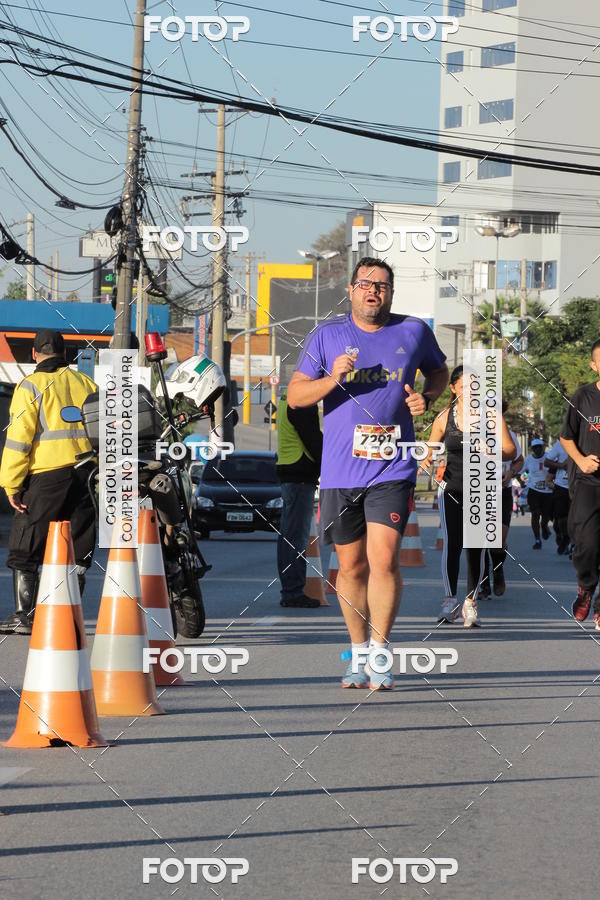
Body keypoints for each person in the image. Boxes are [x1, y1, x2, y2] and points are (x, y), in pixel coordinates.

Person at [287, 256, 449, 689]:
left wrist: (427, 398)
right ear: (353, 290)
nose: (373, 291)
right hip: (340, 470)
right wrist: (332, 379)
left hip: (392, 468)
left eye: (381, 285)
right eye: (365, 284)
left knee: (383, 559)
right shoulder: (327, 335)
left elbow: (438, 371)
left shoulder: (413, 330)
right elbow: (296, 395)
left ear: (391, 293)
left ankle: (380, 651)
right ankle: (358, 652)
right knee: (351, 567)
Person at [0, 330, 97, 635]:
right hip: (86, 474)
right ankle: (65, 614)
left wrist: (11, 484)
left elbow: (18, 440)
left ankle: (25, 616)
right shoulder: (86, 384)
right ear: (65, 353)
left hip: (48, 475)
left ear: (34, 353)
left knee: (25, 544)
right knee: (77, 544)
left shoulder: (30, 387)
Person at [426, 367, 517, 627]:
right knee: (452, 544)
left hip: (481, 489)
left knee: (475, 547)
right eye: (464, 386)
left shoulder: (491, 416)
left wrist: (493, 450)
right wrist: (424, 460)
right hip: (451, 488)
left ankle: (470, 603)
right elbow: (430, 450)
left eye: (474, 386)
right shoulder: (445, 417)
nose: (469, 391)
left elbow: (510, 451)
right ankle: (449, 600)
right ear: (454, 388)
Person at [560, 339, 600, 627]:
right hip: (588, 481)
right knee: (587, 544)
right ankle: (586, 586)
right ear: (594, 365)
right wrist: (581, 460)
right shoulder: (583, 397)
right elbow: (566, 436)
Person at [276, 392, 323, 608]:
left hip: (292, 471)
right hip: (300, 471)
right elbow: (312, 438)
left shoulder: (288, 399)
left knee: (290, 535)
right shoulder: (302, 402)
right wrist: (331, 464)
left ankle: (291, 590)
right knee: (295, 537)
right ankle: (292, 592)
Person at [480, 401, 523, 597]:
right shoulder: (471, 432)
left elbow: (518, 460)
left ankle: (497, 570)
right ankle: (483, 583)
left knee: (498, 540)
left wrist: (511, 473)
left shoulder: (507, 434)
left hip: (501, 490)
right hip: (477, 492)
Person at [521, 438, 553, 549]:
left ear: (543, 447)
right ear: (532, 449)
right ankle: (537, 540)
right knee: (535, 514)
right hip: (533, 490)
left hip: (548, 491)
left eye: (539, 447)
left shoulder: (549, 457)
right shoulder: (528, 459)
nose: (538, 449)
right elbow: (521, 472)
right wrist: (522, 480)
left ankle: (544, 525)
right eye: (535, 447)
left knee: (546, 516)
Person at [545, 438, 571, 555]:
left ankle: (574, 546)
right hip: (561, 487)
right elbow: (548, 478)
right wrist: (562, 465)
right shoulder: (560, 445)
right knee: (560, 517)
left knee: (578, 518)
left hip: (579, 485)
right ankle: (565, 536)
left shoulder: (585, 440)